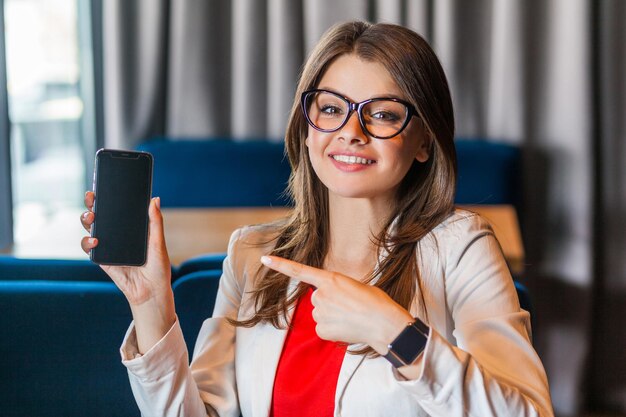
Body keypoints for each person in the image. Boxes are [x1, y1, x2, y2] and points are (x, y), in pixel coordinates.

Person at [80, 21, 554, 417]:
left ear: (424, 142)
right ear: (306, 131)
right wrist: (150, 305)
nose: (351, 132)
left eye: (384, 115)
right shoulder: (251, 255)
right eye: (330, 109)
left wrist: (395, 333)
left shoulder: (461, 247)